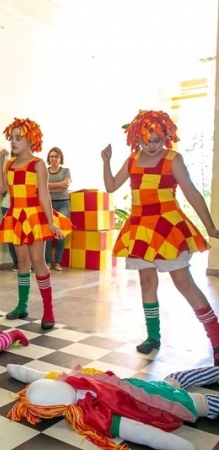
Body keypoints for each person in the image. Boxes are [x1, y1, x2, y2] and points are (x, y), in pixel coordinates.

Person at [102, 109, 219, 361]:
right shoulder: (132, 160)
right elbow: (111, 186)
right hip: (140, 228)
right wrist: (106, 162)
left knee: (183, 282)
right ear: (137, 138)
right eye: (147, 140)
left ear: (166, 136)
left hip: (167, 227)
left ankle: (216, 338)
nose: (152, 145)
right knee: (147, 282)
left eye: (158, 140)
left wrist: (209, 227)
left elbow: (192, 193)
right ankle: (153, 336)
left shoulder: (172, 159)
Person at [6, 364, 219, 450]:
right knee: (180, 385)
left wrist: (20, 372)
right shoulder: (79, 383)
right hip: (161, 397)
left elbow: (39, 376)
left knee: (175, 383)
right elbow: (143, 433)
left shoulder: (72, 383)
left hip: (157, 394)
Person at [0, 118, 72, 329]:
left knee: (38, 260)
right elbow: (0, 188)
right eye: (12, 137)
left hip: (34, 215)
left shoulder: (38, 164)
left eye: (18, 138)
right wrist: (0, 163)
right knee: (22, 262)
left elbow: (45, 195)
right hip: (16, 215)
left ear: (31, 140)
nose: (13, 141)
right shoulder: (10, 164)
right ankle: (22, 305)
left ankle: (49, 310)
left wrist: (50, 222)